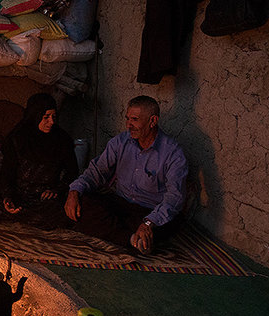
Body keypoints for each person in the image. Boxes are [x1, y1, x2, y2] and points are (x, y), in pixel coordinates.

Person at [65, 95, 187, 254]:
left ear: (153, 121)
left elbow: (174, 197)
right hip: (121, 202)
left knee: (165, 226)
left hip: (149, 212)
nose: (129, 125)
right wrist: (74, 191)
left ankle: (130, 236)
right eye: (127, 119)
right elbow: (97, 171)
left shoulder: (172, 153)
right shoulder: (120, 142)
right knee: (85, 204)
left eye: (135, 119)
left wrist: (149, 223)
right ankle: (132, 240)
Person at [0, 93, 77, 230]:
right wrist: (8, 197)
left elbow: (73, 172)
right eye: (46, 117)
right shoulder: (17, 138)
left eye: (54, 117)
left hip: (43, 200)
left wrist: (56, 190)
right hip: (18, 193)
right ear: (35, 116)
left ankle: (20, 217)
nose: (51, 122)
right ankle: (18, 214)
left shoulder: (62, 140)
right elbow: (6, 172)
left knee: (60, 211)